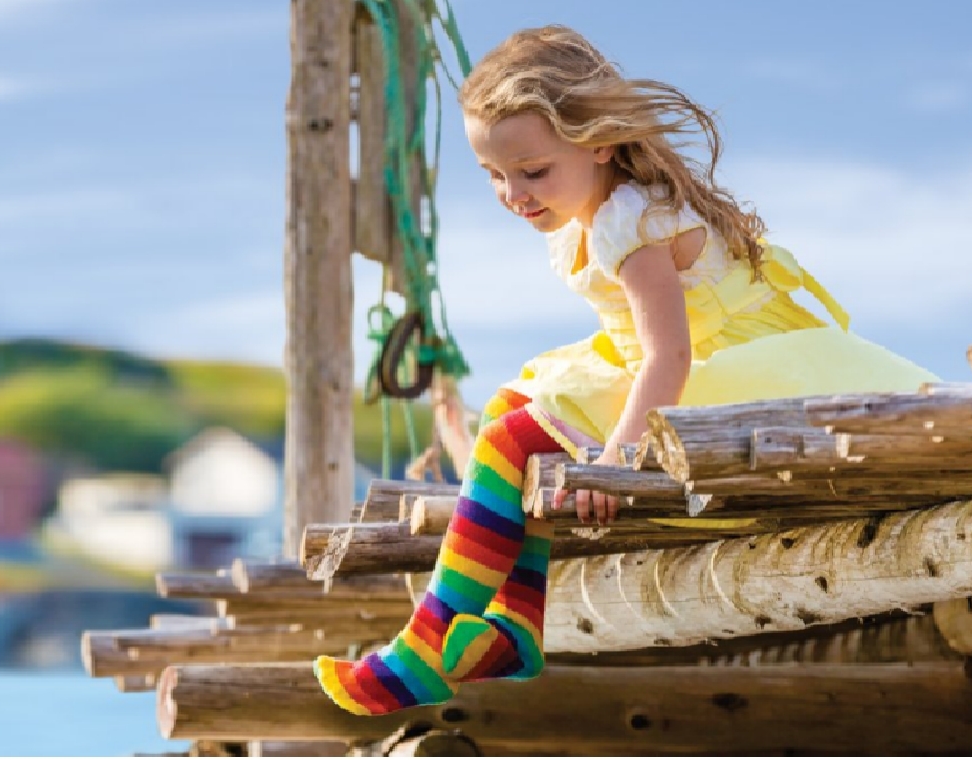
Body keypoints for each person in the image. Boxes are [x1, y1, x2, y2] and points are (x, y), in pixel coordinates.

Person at [315, 24, 939, 716]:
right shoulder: (588, 217)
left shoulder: (631, 224)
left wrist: (618, 455)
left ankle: (425, 647)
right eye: (493, 175)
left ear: (599, 142)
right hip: (675, 359)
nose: (513, 193)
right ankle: (517, 621)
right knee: (509, 413)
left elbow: (668, 352)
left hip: (732, 369)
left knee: (512, 440)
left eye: (532, 171)